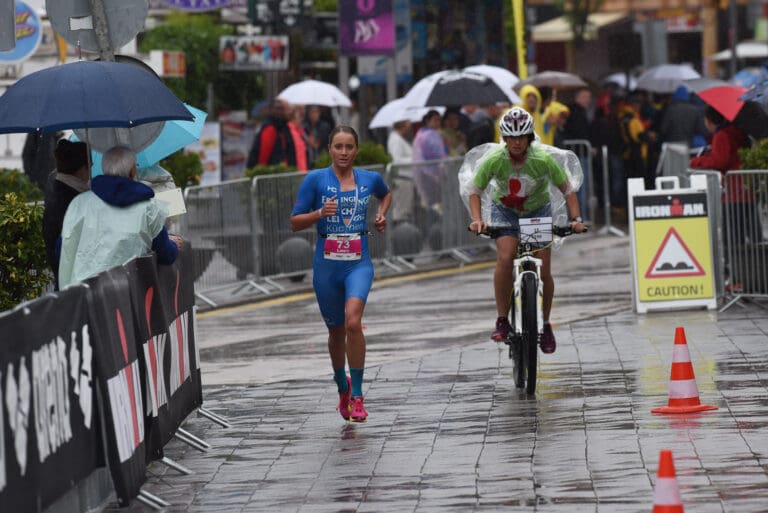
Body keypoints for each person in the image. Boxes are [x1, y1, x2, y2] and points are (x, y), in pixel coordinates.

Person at [289, 126, 392, 423]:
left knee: (353, 322)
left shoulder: (370, 179)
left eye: (349, 147)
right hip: (326, 263)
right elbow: (294, 222)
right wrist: (320, 213)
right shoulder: (315, 180)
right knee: (335, 331)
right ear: (330, 150)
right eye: (338, 147)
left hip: (358, 262)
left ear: (356, 150)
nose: (344, 152)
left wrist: (381, 215)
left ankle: (358, 396)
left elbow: (386, 195)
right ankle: (342, 387)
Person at [467, 107, 585, 354]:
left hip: (537, 211)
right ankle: (502, 320)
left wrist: (576, 219)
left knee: (544, 268)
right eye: (511, 137)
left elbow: (568, 190)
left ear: (530, 137)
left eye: (521, 137)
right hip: (505, 211)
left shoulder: (542, 160)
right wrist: (477, 219)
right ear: (505, 139)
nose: (516, 142)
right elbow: (475, 192)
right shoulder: (495, 160)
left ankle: (546, 323)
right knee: (506, 257)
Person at [58, 146, 183, 289]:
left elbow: (64, 249)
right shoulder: (149, 207)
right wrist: (174, 245)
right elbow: (165, 254)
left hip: (85, 292)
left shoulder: (79, 203)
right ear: (132, 171)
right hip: (127, 296)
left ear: (105, 169)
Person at [42, 140, 90, 289]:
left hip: (65, 282)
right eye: (91, 166)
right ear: (83, 169)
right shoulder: (73, 200)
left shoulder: (56, 190)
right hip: (74, 286)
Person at [412, 110, 448, 212]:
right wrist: (445, 147)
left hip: (420, 173)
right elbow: (439, 154)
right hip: (432, 174)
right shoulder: (431, 134)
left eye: (439, 120)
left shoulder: (420, 133)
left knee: (428, 204)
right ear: (427, 121)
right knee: (437, 204)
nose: (438, 123)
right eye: (435, 120)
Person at [246, 99, 297, 168]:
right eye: (287, 109)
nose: (290, 112)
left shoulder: (283, 127)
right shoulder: (270, 128)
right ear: (279, 111)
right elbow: (263, 157)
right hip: (271, 173)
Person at [387, 119, 415, 223]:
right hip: (402, 178)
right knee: (401, 209)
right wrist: (415, 159)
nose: (410, 123)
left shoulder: (399, 138)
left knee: (405, 207)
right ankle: (399, 233)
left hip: (406, 178)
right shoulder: (395, 139)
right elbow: (396, 159)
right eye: (408, 121)